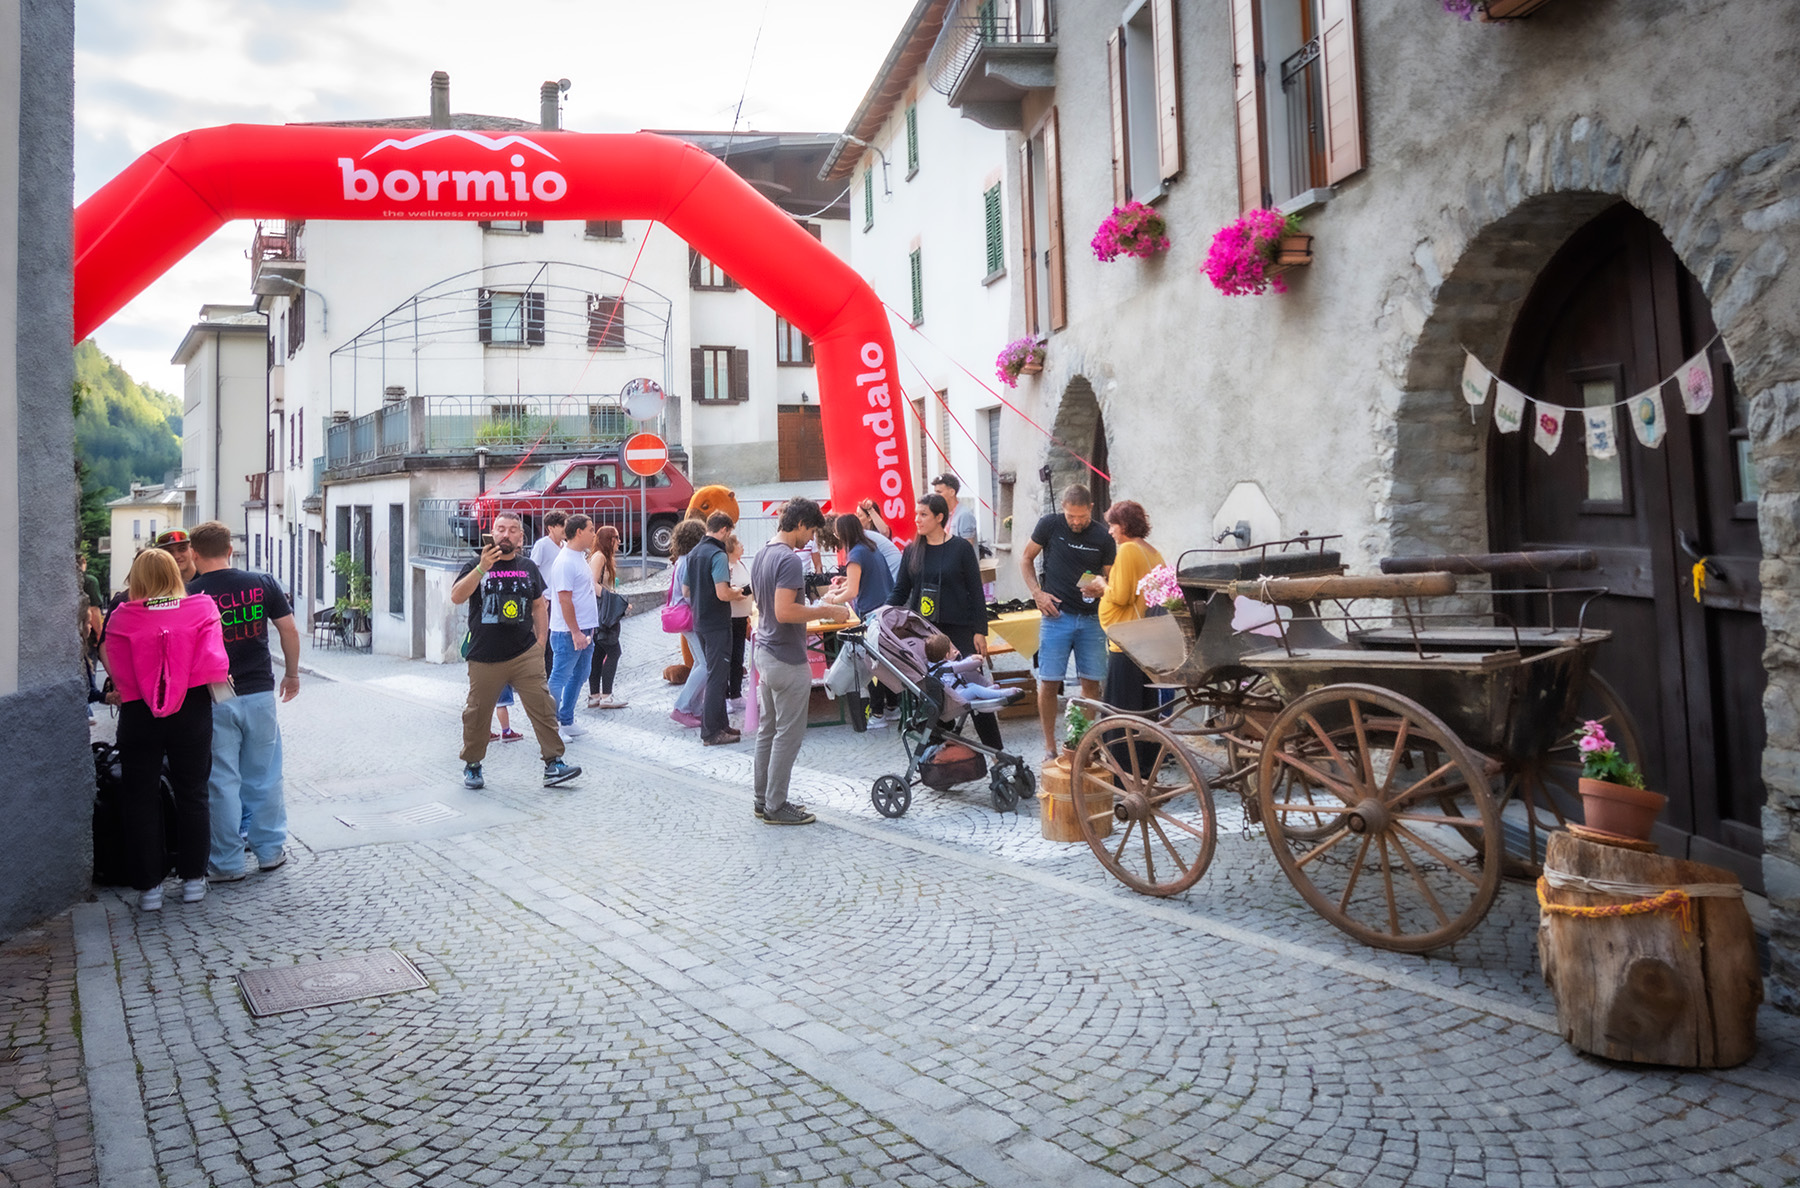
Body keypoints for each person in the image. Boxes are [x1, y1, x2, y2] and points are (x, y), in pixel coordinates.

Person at [100, 548, 229, 911]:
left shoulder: (123, 617)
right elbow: (213, 661)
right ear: (175, 573)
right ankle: (192, 881)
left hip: (140, 711)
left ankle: (149, 888)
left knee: (139, 798)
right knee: (193, 792)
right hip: (191, 709)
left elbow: (120, 670)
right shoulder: (202, 608)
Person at [185, 520, 301, 883]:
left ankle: (227, 863)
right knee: (264, 775)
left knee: (221, 781)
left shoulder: (189, 595)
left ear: (194, 553)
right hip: (260, 692)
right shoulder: (261, 583)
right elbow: (289, 629)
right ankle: (269, 852)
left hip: (214, 695)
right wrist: (292, 674)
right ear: (230, 549)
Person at [450, 511, 580, 789]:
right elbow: (457, 596)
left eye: (512, 530)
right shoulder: (476, 565)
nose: (505, 534)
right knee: (476, 713)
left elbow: (538, 605)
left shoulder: (528, 567)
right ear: (492, 533)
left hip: (524, 654)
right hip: (484, 655)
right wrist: (482, 567)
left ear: (521, 537)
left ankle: (554, 764)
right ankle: (473, 765)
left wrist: (541, 641)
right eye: (500, 529)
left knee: (544, 708)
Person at [752, 498, 852, 825]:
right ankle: (776, 805)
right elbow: (785, 611)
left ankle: (762, 798)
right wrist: (827, 610)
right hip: (786, 656)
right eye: (809, 531)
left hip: (765, 652)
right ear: (798, 525)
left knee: (768, 732)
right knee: (788, 735)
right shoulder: (789, 560)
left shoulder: (763, 553)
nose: (810, 539)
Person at [889, 494, 1002, 750]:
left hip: (960, 631)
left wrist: (979, 631)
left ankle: (996, 753)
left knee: (974, 689)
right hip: (927, 635)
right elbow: (900, 591)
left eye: (923, 514)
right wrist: (881, 612)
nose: (916, 519)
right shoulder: (911, 551)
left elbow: (976, 592)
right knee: (935, 696)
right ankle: (938, 757)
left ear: (940, 517)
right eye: (916, 513)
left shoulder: (961, 548)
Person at [1020, 484, 1116, 759]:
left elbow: (1110, 578)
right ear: (1063, 508)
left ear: (1090, 510)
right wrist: (1037, 594)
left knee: (1092, 684)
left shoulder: (1103, 536)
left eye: (1081, 517)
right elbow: (1026, 559)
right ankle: (1050, 746)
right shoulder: (1049, 525)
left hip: (1091, 620)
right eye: (1071, 516)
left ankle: (1083, 742)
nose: (1076, 522)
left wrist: (1101, 585)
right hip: (1055, 617)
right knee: (1049, 682)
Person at [1095, 500, 1166, 772]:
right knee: (1144, 708)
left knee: (1120, 710)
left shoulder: (1127, 551)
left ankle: (1121, 771)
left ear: (1123, 526)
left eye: (1112, 525)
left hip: (1126, 641)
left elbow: (1121, 596)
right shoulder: (1153, 551)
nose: (1110, 531)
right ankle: (1146, 768)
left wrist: (1102, 585)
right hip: (1147, 641)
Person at [688, 511, 748, 746]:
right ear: (723, 529)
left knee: (716, 674)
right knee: (717, 676)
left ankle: (721, 724)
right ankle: (711, 731)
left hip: (700, 620)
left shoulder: (694, 552)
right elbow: (723, 593)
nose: (729, 537)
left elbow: (686, 589)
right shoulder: (717, 554)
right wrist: (737, 591)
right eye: (729, 532)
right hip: (717, 622)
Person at [832, 512, 896, 725]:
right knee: (887, 662)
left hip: (871, 616)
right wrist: (845, 582)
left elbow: (851, 591)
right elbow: (861, 580)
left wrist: (832, 600)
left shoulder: (856, 554)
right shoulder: (870, 547)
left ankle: (877, 713)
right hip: (887, 611)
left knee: (873, 665)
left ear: (842, 533)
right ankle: (893, 707)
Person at [546, 513, 599, 742]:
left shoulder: (579, 557)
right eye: (590, 529)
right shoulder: (566, 561)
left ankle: (566, 719)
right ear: (579, 532)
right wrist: (576, 631)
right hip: (568, 632)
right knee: (559, 677)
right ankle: (551, 724)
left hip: (585, 629)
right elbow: (564, 600)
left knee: (581, 674)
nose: (593, 533)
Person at [667, 518, 709, 728]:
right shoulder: (690, 560)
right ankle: (682, 707)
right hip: (691, 616)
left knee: (701, 664)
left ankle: (694, 708)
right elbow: (689, 593)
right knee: (705, 664)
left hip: (685, 617)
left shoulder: (683, 559)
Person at [924, 633, 1025, 713]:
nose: (954, 650)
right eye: (951, 650)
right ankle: (1000, 694)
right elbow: (961, 665)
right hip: (957, 697)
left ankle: (988, 691)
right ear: (946, 655)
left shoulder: (933, 665)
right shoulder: (947, 667)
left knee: (972, 686)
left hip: (958, 692)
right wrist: (972, 658)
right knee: (974, 689)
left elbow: (952, 665)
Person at [586, 525, 628, 709]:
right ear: (608, 540)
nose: (619, 541)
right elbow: (592, 584)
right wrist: (614, 600)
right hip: (601, 613)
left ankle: (595, 695)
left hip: (598, 612)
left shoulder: (604, 558)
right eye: (616, 537)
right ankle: (606, 696)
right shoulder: (600, 557)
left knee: (598, 653)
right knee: (613, 651)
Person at [529, 510, 568, 678]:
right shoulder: (542, 545)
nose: (566, 529)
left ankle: (555, 674)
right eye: (563, 526)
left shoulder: (566, 546)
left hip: (561, 600)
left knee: (558, 639)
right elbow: (532, 571)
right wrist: (539, 595)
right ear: (551, 528)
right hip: (546, 600)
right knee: (544, 638)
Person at [725, 534, 751, 720]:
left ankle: (736, 694)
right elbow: (730, 589)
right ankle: (725, 695)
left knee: (738, 656)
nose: (742, 546)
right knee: (729, 656)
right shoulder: (727, 567)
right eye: (738, 544)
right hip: (731, 617)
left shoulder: (740, 564)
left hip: (742, 616)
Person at [857, 499, 903, 580]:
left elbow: (885, 532)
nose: (856, 519)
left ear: (869, 518)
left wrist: (870, 510)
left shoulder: (879, 534)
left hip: (892, 576)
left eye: (859, 515)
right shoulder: (862, 537)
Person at [932, 473, 979, 548]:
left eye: (939, 492)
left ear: (952, 492)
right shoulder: (942, 514)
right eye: (935, 492)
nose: (936, 496)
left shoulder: (964, 515)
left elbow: (967, 547)